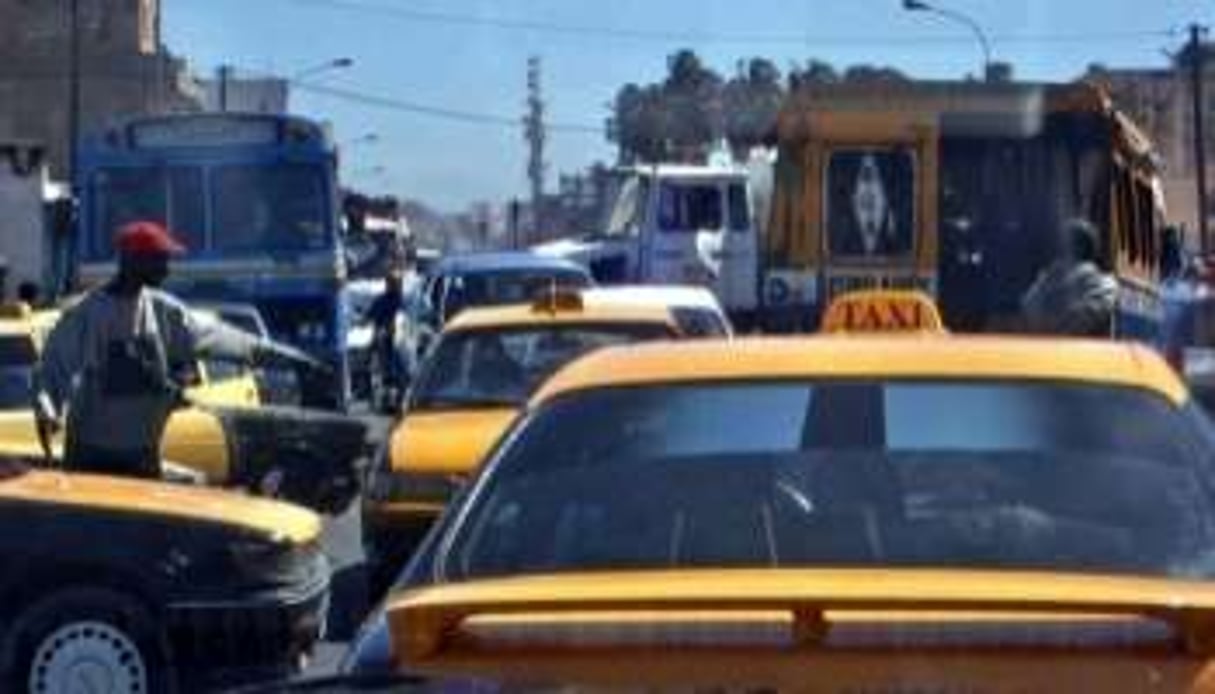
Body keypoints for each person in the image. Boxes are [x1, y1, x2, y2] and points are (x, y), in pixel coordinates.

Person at [32, 220, 305, 478]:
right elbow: (52, 368)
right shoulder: (86, 314)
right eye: (159, 259)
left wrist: (289, 359)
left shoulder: (164, 311)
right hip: (91, 455)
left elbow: (223, 339)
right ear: (132, 261)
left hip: (142, 453)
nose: (167, 268)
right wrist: (46, 410)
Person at [1021, 218, 1119, 337]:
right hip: (1087, 353)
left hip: (1044, 350)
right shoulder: (1106, 284)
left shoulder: (1045, 281)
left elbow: (1029, 309)